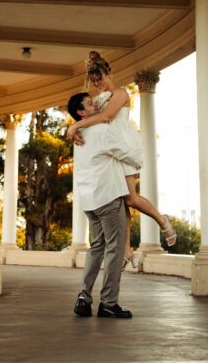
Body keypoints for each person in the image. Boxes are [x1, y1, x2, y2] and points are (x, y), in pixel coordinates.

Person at [67, 50, 176, 268]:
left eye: (101, 78)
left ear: (109, 73)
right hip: (109, 150)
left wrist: (76, 125)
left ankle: (162, 219)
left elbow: (106, 117)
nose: (98, 83)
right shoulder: (96, 99)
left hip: (123, 146)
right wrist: (74, 128)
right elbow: (89, 116)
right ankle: (127, 250)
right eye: (94, 80)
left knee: (130, 198)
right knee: (120, 199)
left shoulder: (121, 93)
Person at [67, 90, 140, 318]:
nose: (95, 106)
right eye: (90, 104)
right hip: (108, 197)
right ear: (80, 112)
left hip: (89, 201)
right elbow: (125, 153)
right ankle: (108, 302)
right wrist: (140, 161)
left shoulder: (78, 134)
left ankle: (84, 297)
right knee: (115, 250)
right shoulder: (100, 130)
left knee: (96, 248)